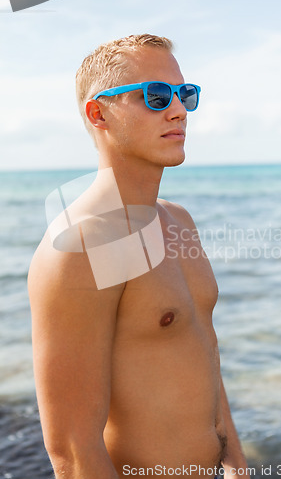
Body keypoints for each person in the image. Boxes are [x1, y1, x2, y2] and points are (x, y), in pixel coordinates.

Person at [28, 34, 250, 479]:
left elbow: (205, 354)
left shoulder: (179, 222)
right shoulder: (82, 247)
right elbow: (73, 452)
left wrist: (236, 465)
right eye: (155, 96)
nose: (179, 110)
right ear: (99, 113)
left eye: (185, 94)